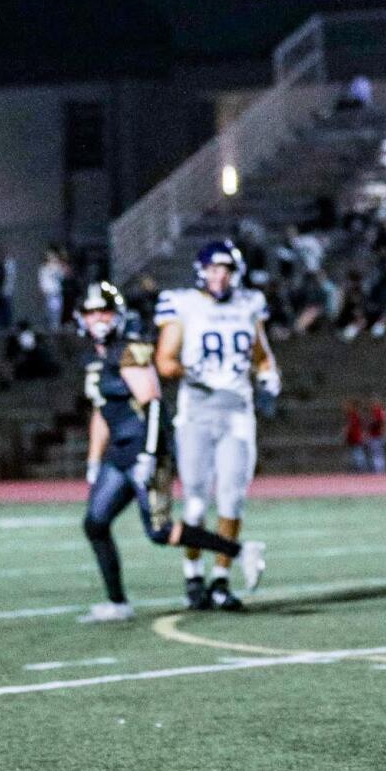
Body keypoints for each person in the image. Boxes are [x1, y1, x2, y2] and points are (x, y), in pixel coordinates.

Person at [76, 282, 264, 622]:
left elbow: (154, 404)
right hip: (118, 453)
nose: (97, 318)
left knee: (160, 532)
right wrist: (93, 459)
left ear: (117, 314)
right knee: (95, 522)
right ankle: (117, 602)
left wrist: (149, 454)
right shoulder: (96, 356)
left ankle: (239, 551)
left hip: (144, 452)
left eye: (103, 310)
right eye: (91, 312)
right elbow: (102, 411)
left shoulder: (131, 350)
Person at [155, 240, 281, 610]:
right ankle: (193, 573)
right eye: (213, 269)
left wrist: (270, 372)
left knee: (232, 496)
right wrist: (188, 371)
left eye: (225, 270)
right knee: (194, 501)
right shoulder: (184, 304)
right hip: (197, 410)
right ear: (201, 272)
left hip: (238, 411)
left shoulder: (249, 304)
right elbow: (164, 360)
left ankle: (222, 578)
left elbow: (261, 353)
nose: (219, 276)